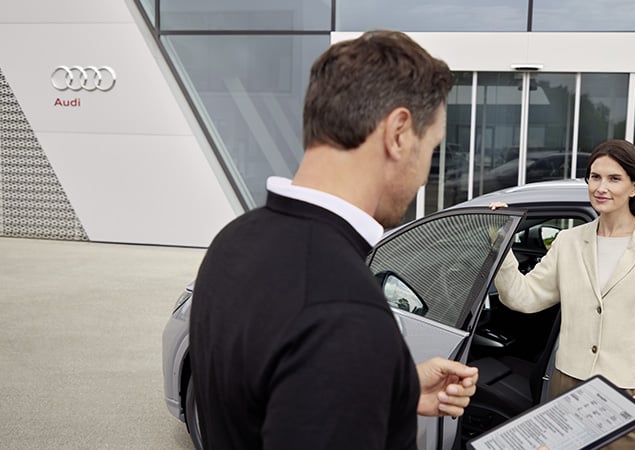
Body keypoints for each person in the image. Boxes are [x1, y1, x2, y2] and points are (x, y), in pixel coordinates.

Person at [189, 30, 479, 450]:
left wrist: (395, 389)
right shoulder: (344, 314)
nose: (426, 173)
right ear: (398, 133)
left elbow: (268, 392)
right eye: (431, 148)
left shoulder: (235, 241)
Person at [490, 139, 635, 449]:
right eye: (595, 177)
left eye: (614, 179)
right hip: (567, 386)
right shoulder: (568, 241)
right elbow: (524, 297)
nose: (601, 187)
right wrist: (501, 239)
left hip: (628, 395)